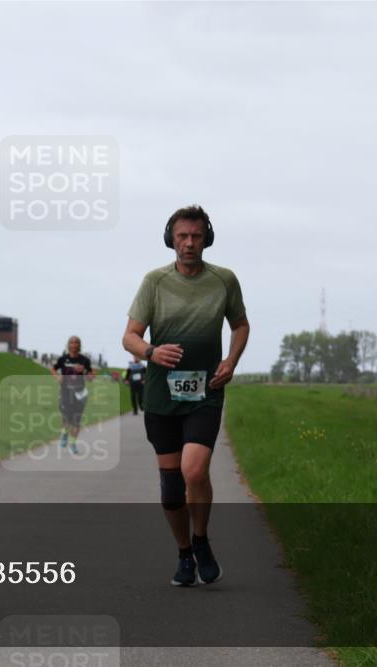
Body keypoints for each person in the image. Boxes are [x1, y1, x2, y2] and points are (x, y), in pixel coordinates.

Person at [122, 205, 249, 587]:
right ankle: (184, 553)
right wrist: (151, 352)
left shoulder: (224, 280)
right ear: (171, 239)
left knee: (195, 470)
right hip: (162, 394)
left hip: (206, 391)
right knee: (171, 489)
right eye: (182, 236)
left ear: (206, 238)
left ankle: (201, 540)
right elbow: (129, 336)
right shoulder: (154, 282)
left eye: (196, 236)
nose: (189, 243)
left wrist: (231, 359)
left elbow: (240, 324)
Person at [50, 336, 94, 455]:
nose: (74, 345)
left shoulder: (85, 360)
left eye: (76, 343)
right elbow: (53, 369)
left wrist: (84, 371)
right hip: (65, 392)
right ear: (68, 345)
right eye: (71, 342)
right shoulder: (63, 359)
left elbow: (91, 378)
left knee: (76, 421)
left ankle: (73, 444)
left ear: (79, 345)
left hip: (79, 393)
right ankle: (64, 433)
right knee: (66, 417)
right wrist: (57, 377)